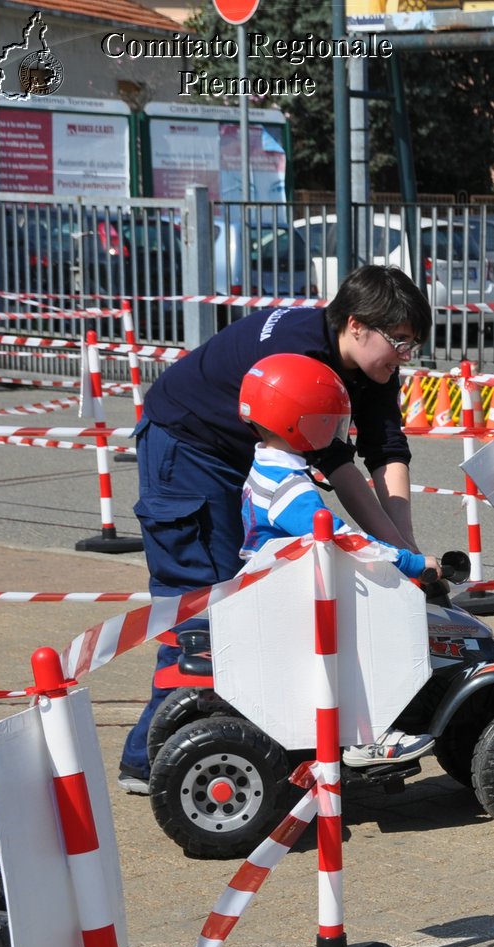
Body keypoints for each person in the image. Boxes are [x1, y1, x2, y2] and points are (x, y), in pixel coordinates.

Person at [119, 265, 431, 793]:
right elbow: (339, 467)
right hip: (188, 448)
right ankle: (156, 760)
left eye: (412, 345)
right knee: (207, 609)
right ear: (357, 326)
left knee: (263, 611)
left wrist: (406, 546)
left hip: (250, 455)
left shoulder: (369, 365)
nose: (405, 356)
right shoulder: (299, 361)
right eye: (399, 342)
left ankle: (258, 742)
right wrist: (395, 556)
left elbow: (385, 448)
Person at [236, 352, 436, 768]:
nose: (336, 432)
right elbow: (345, 540)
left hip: (272, 590)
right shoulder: (290, 489)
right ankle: (368, 735)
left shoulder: (265, 468)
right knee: (372, 633)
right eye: (329, 421)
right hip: (290, 601)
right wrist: (411, 564)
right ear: (301, 424)